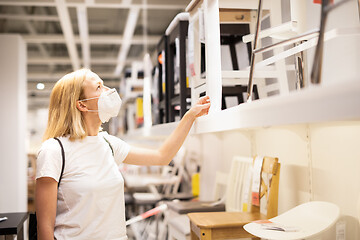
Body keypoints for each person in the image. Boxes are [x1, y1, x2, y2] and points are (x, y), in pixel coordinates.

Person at [35, 68, 211, 240]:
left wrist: (189, 117)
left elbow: (162, 156)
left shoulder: (108, 143)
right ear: (82, 104)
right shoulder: (54, 151)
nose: (109, 91)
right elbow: (44, 227)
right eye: (99, 87)